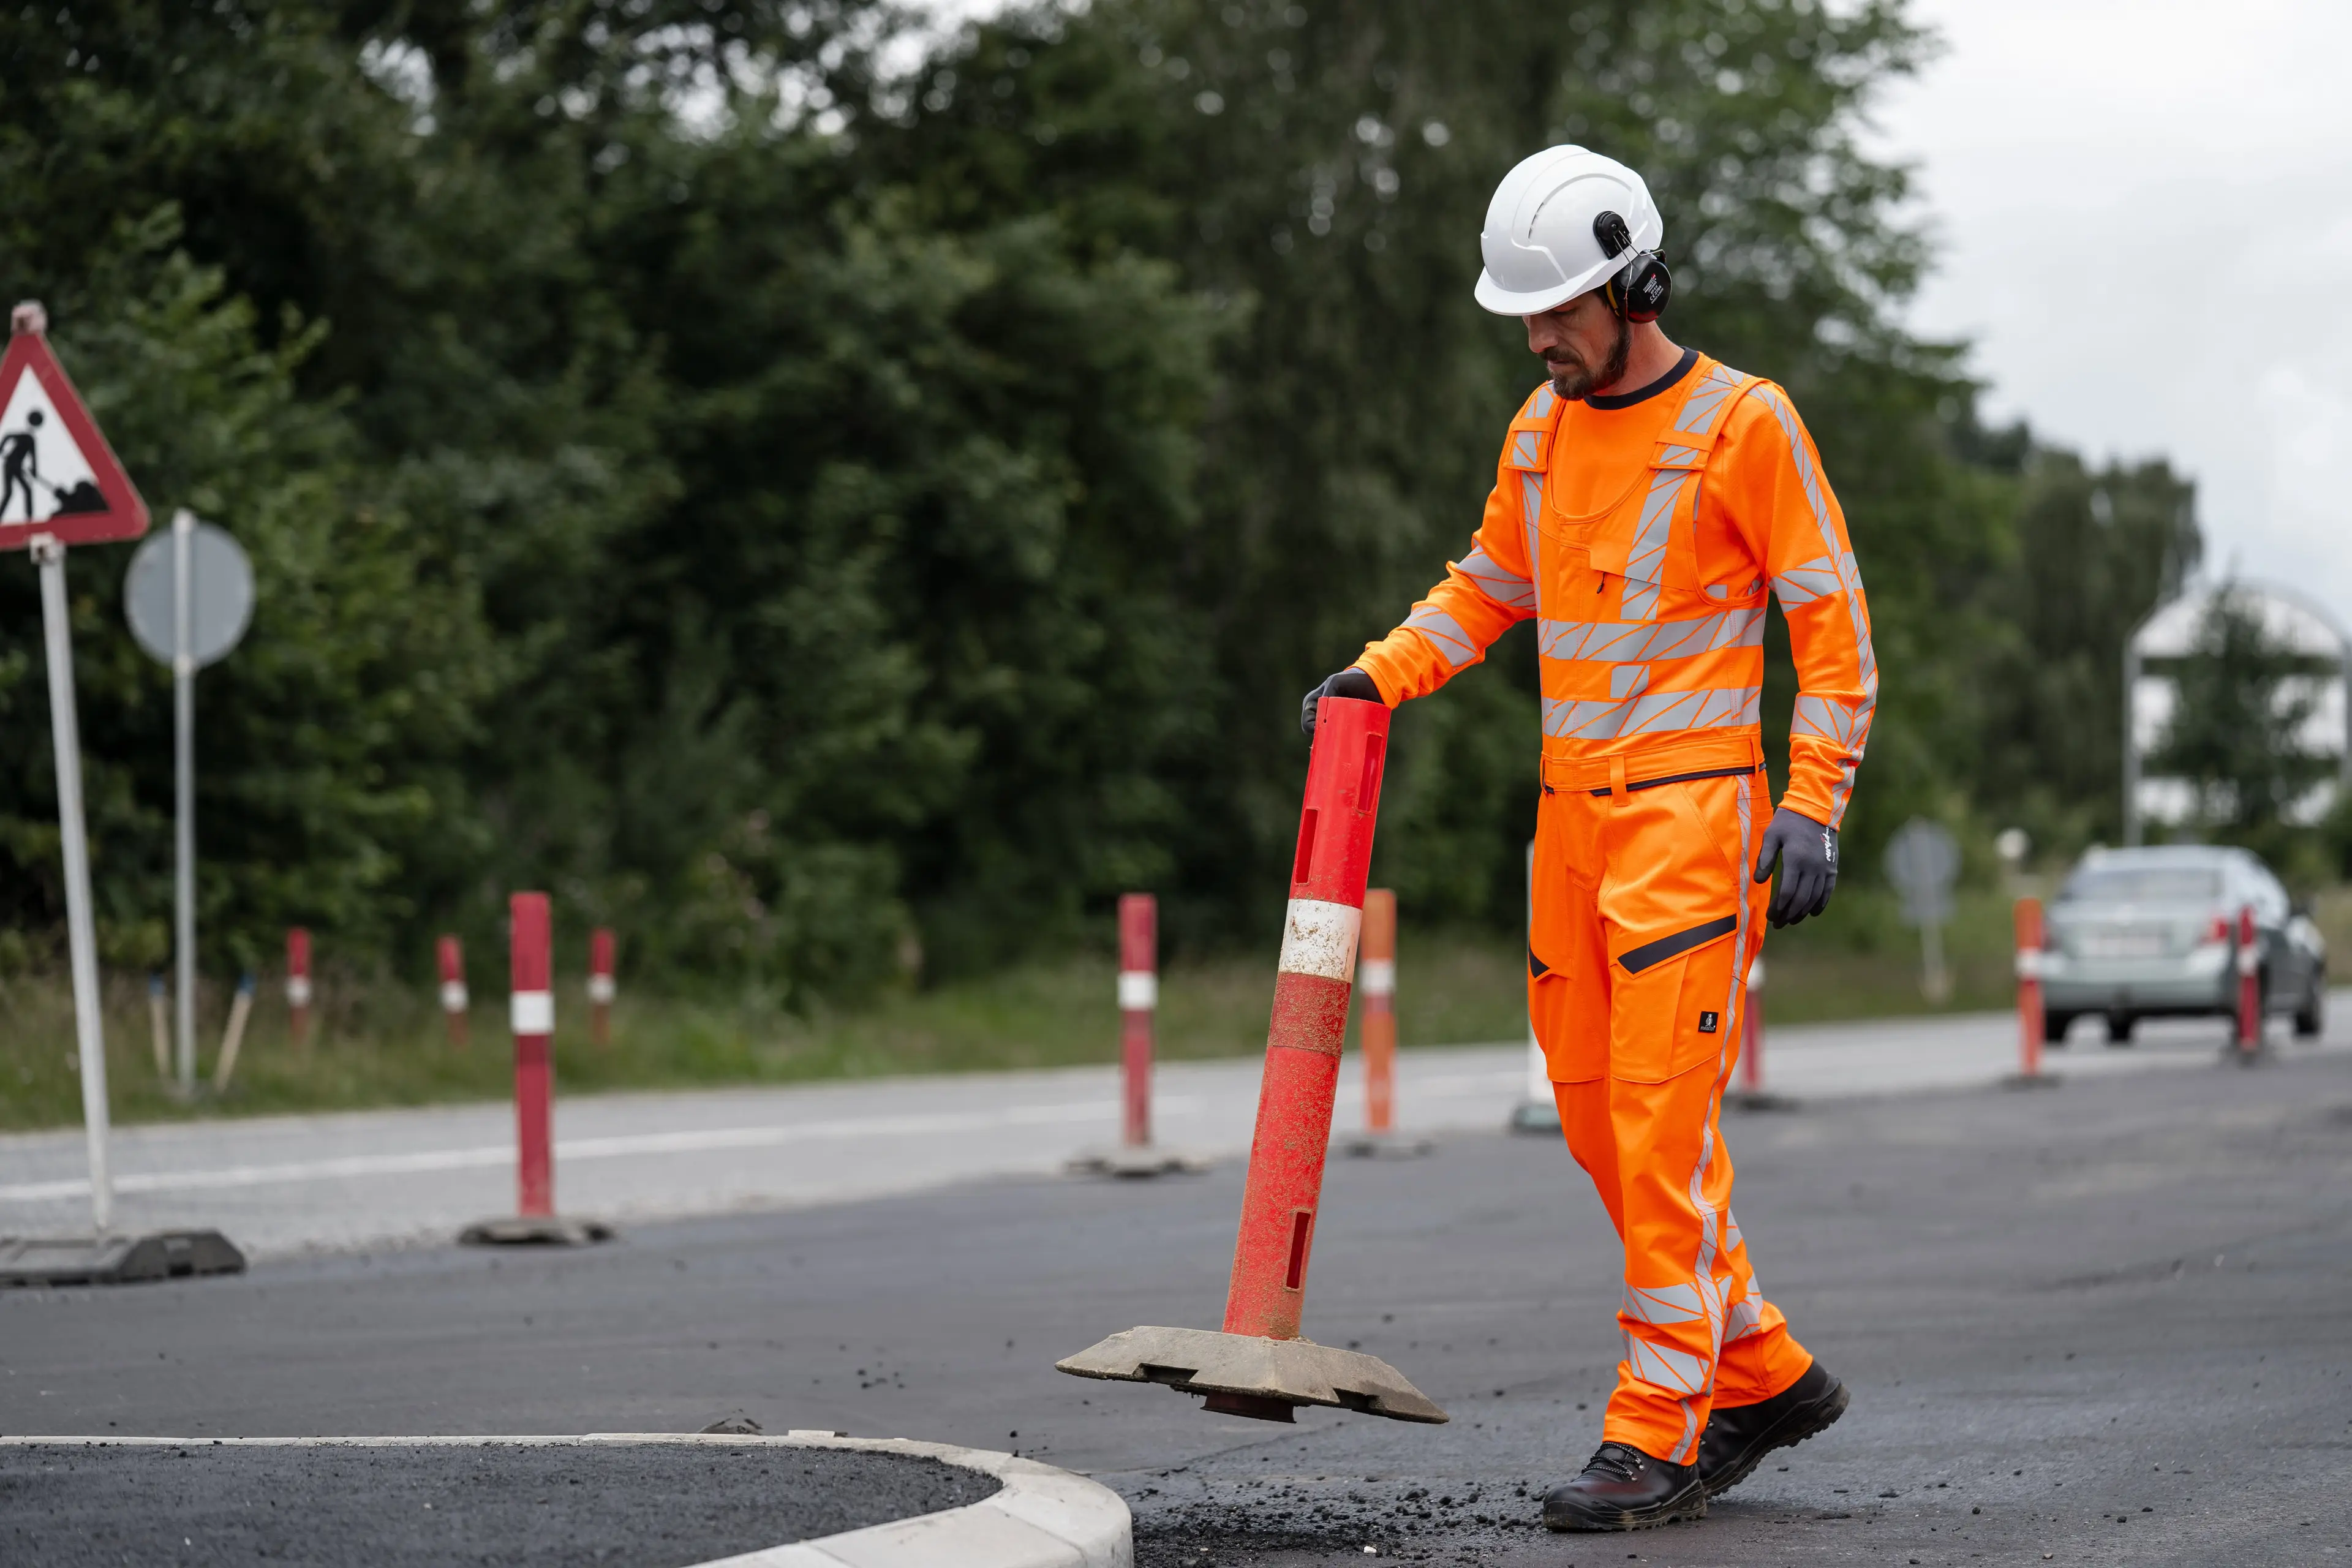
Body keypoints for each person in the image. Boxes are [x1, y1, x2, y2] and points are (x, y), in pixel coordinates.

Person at [1301, 146, 1872, 1533]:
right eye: (1524, 314)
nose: (1538, 337)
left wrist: (1813, 800)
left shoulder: (1746, 425)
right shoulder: (1540, 432)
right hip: (1568, 827)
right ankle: (1764, 1369)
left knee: (1659, 1130)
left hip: (1694, 822)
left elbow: (1833, 629)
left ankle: (1653, 1430)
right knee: (1591, 1119)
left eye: (1557, 310)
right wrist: (1378, 675)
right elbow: (1485, 586)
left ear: (1637, 286)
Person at [0, 408, 45, 521]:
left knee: (24, 491)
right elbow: (8, 436)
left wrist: (34, 470)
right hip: (11, 465)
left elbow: (34, 457)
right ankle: (29, 519)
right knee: (11, 493)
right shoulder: (27, 437)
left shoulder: (30, 439)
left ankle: (29, 519)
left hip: (15, 466)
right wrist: (1, 449)